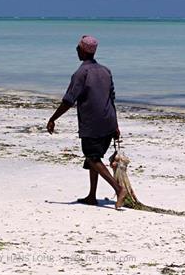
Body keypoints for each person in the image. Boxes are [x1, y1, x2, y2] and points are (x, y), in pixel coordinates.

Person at [47, 35, 127, 210]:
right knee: (94, 157)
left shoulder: (81, 73)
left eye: (78, 48)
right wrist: (115, 125)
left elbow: (69, 100)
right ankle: (92, 196)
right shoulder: (106, 71)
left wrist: (53, 119)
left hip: (93, 123)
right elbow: (111, 99)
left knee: (92, 159)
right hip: (108, 121)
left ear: (83, 51)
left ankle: (119, 189)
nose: (76, 50)